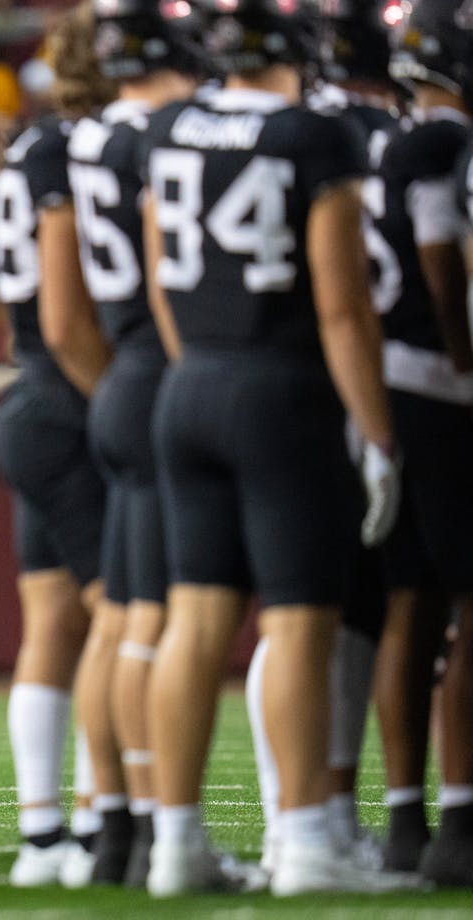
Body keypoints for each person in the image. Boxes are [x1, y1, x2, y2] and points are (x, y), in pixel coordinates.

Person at [139, 0, 414, 895]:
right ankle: (307, 844)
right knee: (299, 620)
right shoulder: (310, 137)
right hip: (281, 391)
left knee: (194, 619)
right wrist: (377, 431)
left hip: (192, 386)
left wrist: (202, 371)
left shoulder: (172, 126)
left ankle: (175, 844)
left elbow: (160, 272)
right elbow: (342, 304)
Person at [245, 0, 400, 875]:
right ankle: (317, 817)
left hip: (282, 375)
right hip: (367, 379)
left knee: (309, 613)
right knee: (337, 611)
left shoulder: (282, 131)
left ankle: (306, 815)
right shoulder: (364, 139)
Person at [58, 0, 200, 886]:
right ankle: (153, 829)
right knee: (154, 614)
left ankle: (109, 828)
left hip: (120, 369)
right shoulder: (165, 134)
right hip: (159, 363)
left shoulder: (76, 141)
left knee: (117, 616)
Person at [0, 2, 111, 888]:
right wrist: (119, 400)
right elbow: (69, 318)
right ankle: (109, 825)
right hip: (68, 398)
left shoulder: (31, 147)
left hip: (31, 386)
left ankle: (43, 836)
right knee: (125, 614)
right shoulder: (75, 151)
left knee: (55, 620)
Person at [371, 0, 473, 886]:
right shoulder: (440, 145)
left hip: (381, 386)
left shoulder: (379, 140)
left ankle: (405, 814)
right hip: (437, 388)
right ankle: (460, 815)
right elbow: (443, 258)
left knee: (409, 602)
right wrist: (465, 356)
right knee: (464, 603)